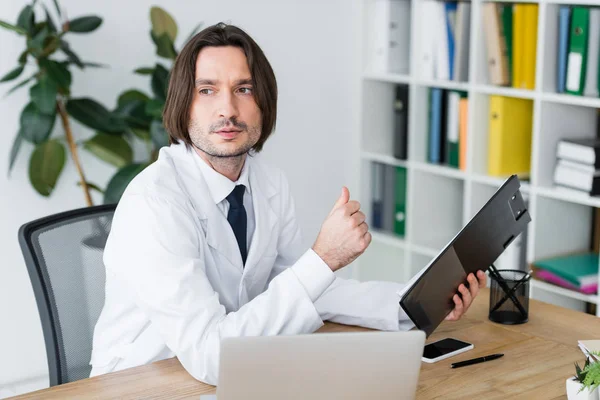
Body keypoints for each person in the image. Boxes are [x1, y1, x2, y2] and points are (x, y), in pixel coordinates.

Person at [90, 22, 486, 385]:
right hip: (140, 384)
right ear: (183, 103)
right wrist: (323, 257)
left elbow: (311, 290)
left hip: (231, 375)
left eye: (243, 89)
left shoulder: (267, 182)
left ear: (264, 102)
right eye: (206, 90)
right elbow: (212, 355)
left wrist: (417, 304)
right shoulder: (154, 203)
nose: (227, 109)